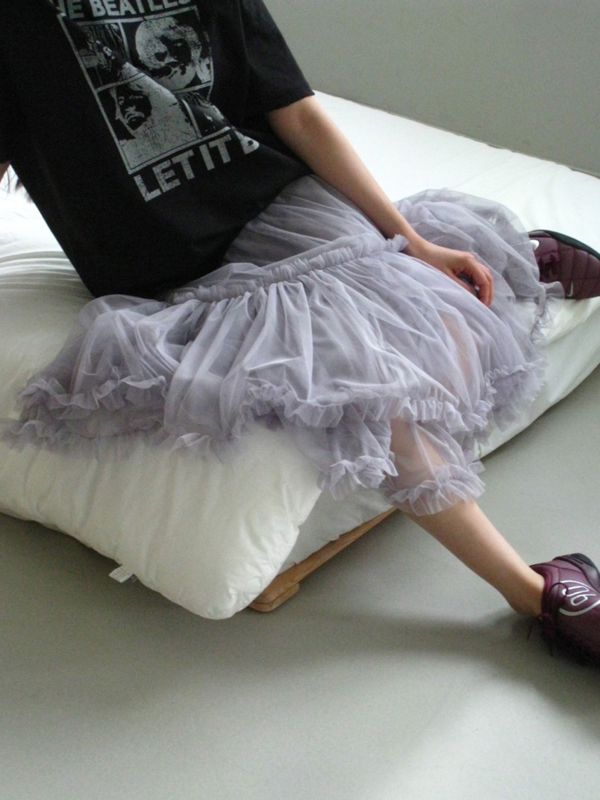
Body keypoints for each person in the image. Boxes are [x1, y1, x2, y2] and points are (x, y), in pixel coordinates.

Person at [1, 0, 599, 664]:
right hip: (183, 270)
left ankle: (512, 257)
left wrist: (414, 241)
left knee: (432, 333)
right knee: (372, 397)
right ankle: (533, 593)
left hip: (288, 205)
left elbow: (299, 114)